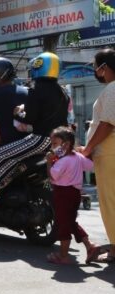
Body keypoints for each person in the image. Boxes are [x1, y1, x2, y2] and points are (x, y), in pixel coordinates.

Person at [0, 52, 69, 191]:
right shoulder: (62, 91)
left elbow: (30, 118)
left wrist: (17, 113)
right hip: (59, 142)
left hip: (40, 140)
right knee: (11, 159)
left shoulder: (37, 88)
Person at [45, 127, 98, 264]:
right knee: (70, 222)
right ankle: (90, 246)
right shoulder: (78, 157)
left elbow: (53, 177)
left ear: (66, 145)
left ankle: (63, 256)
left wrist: (49, 162)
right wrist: (86, 152)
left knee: (63, 224)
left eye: (55, 144)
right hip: (75, 194)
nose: (52, 147)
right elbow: (91, 166)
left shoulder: (62, 161)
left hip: (63, 194)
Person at [83, 48, 115, 263]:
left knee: (109, 202)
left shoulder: (112, 88)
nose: (95, 70)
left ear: (103, 68)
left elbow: (107, 124)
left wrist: (87, 149)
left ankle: (114, 250)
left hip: (109, 152)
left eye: (96, 66)